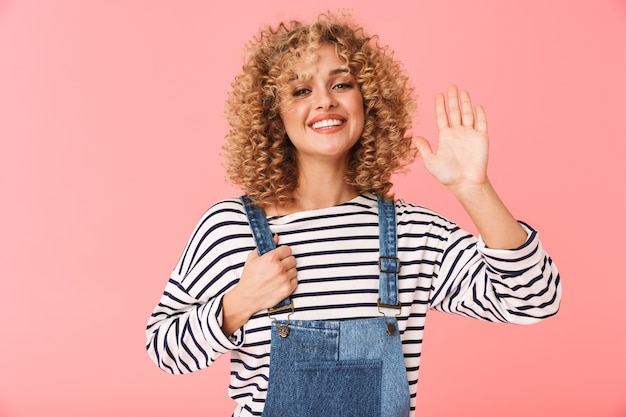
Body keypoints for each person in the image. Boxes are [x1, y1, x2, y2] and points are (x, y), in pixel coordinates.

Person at [146, 12, 561, 417]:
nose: (325, 100)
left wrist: (474, 190)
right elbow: (165, 350)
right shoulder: (230, 227)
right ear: (273, 115)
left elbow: (533, 299)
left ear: (369, 101)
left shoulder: (412, 232)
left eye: (341, 83)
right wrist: (238, 303)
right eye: (300, 91)